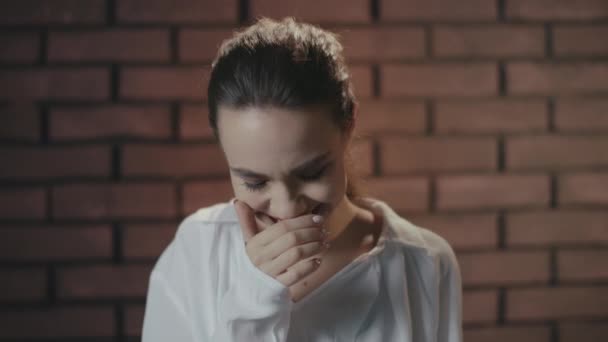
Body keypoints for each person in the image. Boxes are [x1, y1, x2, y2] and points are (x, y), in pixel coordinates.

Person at [141, 17, 462, 342]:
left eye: (311, 173)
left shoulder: (425, 262)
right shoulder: (197, 250)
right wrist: (255, 300)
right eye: (254, 182)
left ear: (349, 124)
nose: (287, 207)